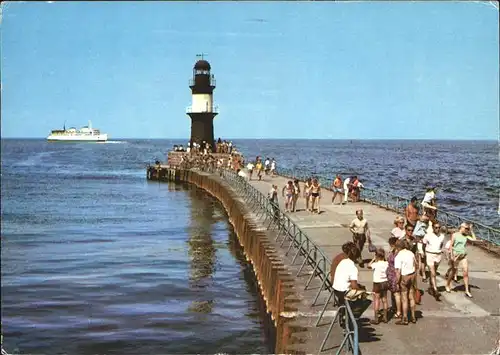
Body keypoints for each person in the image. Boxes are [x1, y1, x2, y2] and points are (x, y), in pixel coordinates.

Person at [332, 242, 363, 326]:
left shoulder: (343, 261)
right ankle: (351, 316)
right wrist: (361, 290)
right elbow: (354, 286)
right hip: (343, 291)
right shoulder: (353, 267)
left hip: (336, 288)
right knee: (364, 298)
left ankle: (343, 314)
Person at [445, 222, 476, 298]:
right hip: (455, 256)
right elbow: (451, 245)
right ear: (461, 227)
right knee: (453, 271)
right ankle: (447, 284)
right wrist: (451, 256)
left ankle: (467, 290)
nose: (467, 230)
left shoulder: (466, 236)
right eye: (466, 228)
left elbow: (474, 239)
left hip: (463, 256)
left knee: (465, 272)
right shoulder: (455, 235)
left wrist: (471, 230)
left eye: (468, 229)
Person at [394, 239, 417, 325]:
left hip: (404, 277)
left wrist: (397, 282)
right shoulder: (411, 253)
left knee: (404, 298)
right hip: (412, 275)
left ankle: (405, 318)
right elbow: (416, 264)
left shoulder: (398, 256)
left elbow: (398, 272)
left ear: (397, 247)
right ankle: (413, 317)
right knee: (411, 297)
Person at [422, 222, 445, 301]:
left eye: (438, 227)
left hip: (438, 255)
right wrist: (424, 253)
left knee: (434, 272)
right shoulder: (428, 235)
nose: (437, 229)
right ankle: (435, 289)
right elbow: (424, 244)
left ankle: (431, 286)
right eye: (435, 227)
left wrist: (439, 250)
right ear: (433, 228)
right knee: (433, 273)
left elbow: (441, 244)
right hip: (430, 254)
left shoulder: (442, 236)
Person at [368, 248, 389, 324]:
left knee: (377, 300)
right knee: (384, 299)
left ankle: (376, 318)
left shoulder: (375, 264)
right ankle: (385, 317)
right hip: (385, 282)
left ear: (376, 256)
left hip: (377, 283)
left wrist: (373, 259)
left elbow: (368, 266)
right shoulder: (386, 263)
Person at [386, 237, 401, 320]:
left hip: (395, 275)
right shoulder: (393, 252)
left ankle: (398, 311)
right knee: (393, 293)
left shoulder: (397, 254)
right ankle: (394, 307)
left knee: (396, 294)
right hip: (391, 275)